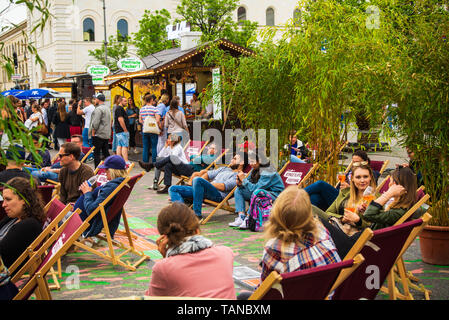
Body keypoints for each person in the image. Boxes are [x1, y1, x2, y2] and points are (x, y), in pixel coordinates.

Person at [237, 187, 341, 300]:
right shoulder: (322, 231)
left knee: (243, 297)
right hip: (328, 293)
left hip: (299, 295)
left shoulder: (275, 248)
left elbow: (265, 291)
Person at [320, 166, 425, 259]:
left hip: (356, 246)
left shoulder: (398, 212)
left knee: (317, 220)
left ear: (398, 186)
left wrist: (387, 195)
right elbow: (372, 216)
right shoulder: (396, 208)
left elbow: (369, 215)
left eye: (392, 182)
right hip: (355, 240)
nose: (389, 184)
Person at [145, 202, 235, 299]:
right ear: (197, 231)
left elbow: (151, 297)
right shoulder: (226, 253)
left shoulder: (163, 268)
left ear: (164, 238)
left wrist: (166, 259)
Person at [168, 152, 249, 219]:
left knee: (197, 179)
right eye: (232, 158)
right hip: (203, 190)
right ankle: (182, 214)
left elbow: (223, 186)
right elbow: (208, 175)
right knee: (173, 188)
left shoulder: (240, 175)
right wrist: (198, 185)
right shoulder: (224, 169)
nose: (232, 160)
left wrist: (205, 184)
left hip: (217, 195)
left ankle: (197, 214)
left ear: (241, 162)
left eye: (235, 159)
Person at [312, 163, 378, 237]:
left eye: (365, 177)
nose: (362, 180)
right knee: (310, 204)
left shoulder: (376, 198)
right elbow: (329, 212)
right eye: (358, 177)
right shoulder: (345, 193)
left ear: (370, 177)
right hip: (337, 226)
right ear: (352, 178)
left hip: (353, 235)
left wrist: (358, 221)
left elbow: (374, 226)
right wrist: (342, 218)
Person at [304, 150, 378, 211]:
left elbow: (368, 191)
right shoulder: (351, 172)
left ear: (366, 162)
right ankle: (305, 221)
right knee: (314, 197)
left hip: (348, 199)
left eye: (357, 162)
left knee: (320, 184)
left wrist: (349, 187)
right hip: (339, 196)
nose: (355, 164)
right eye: (353, 162)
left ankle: (296, 195)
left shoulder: (370, 174)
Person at [74, 155, 128, 238]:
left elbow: (92, 211)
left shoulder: (111, 187)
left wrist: (87, 193)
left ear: (112, 170)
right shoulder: (122, 184)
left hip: (84, 221)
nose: (104, 172)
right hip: (84, 216)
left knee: (59, 219)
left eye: (106, 170)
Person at [229, 150, 285, 230]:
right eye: (250, 161)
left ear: (260, 160)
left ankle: (248, 218)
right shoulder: (255, 168)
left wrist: (244, 180)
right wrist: (240, 184)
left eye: (253, 161)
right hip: (261, 193)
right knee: (238, 190)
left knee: (256, 192)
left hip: (276, 195)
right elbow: (248, 184)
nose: (250, 164)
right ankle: (241, 217)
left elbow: (255, 188)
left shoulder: (268, 171)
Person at [0, 177, 45, 269]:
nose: (3, 205)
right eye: (3, 199)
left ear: (24, 200)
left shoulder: (29, 225)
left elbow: (2, 251)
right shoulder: (15, 217)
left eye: (8, 199)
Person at [89, 93, 111, 168]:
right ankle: (111, 167)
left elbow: (95, 123)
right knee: (106, 152)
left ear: (98, 99)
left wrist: (93, 133)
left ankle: (97, 169)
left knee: (97, 154)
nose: (94, 100)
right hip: (106, 133)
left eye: (95, 99)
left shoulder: (98, 109)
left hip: (99, 134)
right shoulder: (107, 108)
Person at [138, 94, 160, 165]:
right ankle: (154, 163)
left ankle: (145, 162)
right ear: (151, 100)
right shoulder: (154, 109)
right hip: (153, 129)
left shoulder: (141, 109)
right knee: (154, 146)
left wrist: (145, 123)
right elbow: (157, 120)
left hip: (145, 129)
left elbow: (140, 120)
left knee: (145, 146)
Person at [114, 96, 130, 164]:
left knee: (119, 145)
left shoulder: (119, 108)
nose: (126, 103)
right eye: (125, 101)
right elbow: (120, 119)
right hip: (122, 130)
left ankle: (119, 160)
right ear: (120, 101)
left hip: (119, 130)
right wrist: (125, 129)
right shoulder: (119, 108)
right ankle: (126, 161)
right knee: (124, 145)